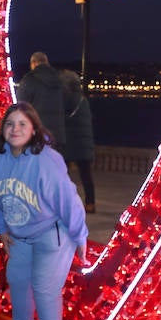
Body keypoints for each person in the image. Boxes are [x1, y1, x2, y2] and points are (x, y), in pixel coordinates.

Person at [0, 102, 88, 320]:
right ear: (2, 129)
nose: (15, 129)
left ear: (33, 129)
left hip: (52, 232)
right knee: (17, 281)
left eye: (22, 124)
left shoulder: (46, 160)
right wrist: (1, 229)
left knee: (44, 287)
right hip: (20, 235)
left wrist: (79, 236)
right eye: (10, 124)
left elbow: (68, 200)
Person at [15, 51, 74, 154]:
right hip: (58, 137)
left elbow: (21, 107)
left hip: (37, 136)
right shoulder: (61, 80)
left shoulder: (29, 80)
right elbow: (69, 104)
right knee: (55, 168)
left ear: (33, 63)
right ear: (46, 62)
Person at [59, 70, 96, 213]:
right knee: (86, 175)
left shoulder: (66, 98)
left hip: (69, 143)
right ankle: (90, 203)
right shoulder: (83, 99)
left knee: (62, 174)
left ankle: (64, 203)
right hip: (84, 143)